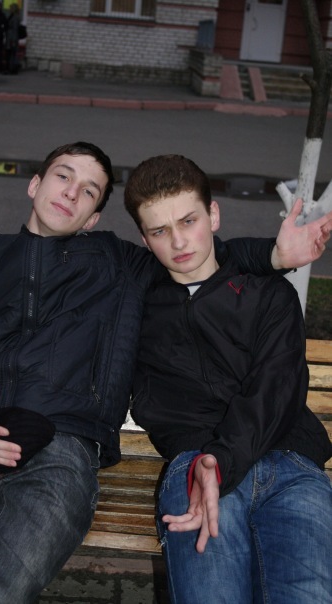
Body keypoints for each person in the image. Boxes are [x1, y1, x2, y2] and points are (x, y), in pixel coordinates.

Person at [0, 142, 331, 603]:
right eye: (63, 176)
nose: (72, 192)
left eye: (89, 190)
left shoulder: (118, 265)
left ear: (94, 218)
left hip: (64, 447)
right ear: (35, 184)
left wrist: (275, 257)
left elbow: (206, 258)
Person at [123, 154, 332, 604]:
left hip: (289, 465)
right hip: (195, 467)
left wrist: (223, 459)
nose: (179, 241)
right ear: (144, 239)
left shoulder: (269, 292)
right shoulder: (137, 302)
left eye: (189, 221)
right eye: (160, 231)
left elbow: (276, 387)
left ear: (213, 215)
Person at [5, 3, 20, 74]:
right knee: (10, 54)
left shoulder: (15, 17)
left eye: (11, 8)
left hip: (12, 38)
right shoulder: (11, 16)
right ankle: (10, 68)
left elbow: (15, 29)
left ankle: (12, 69)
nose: (9, 9)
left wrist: (13, 40)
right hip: (10, 37)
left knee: (12, 54)